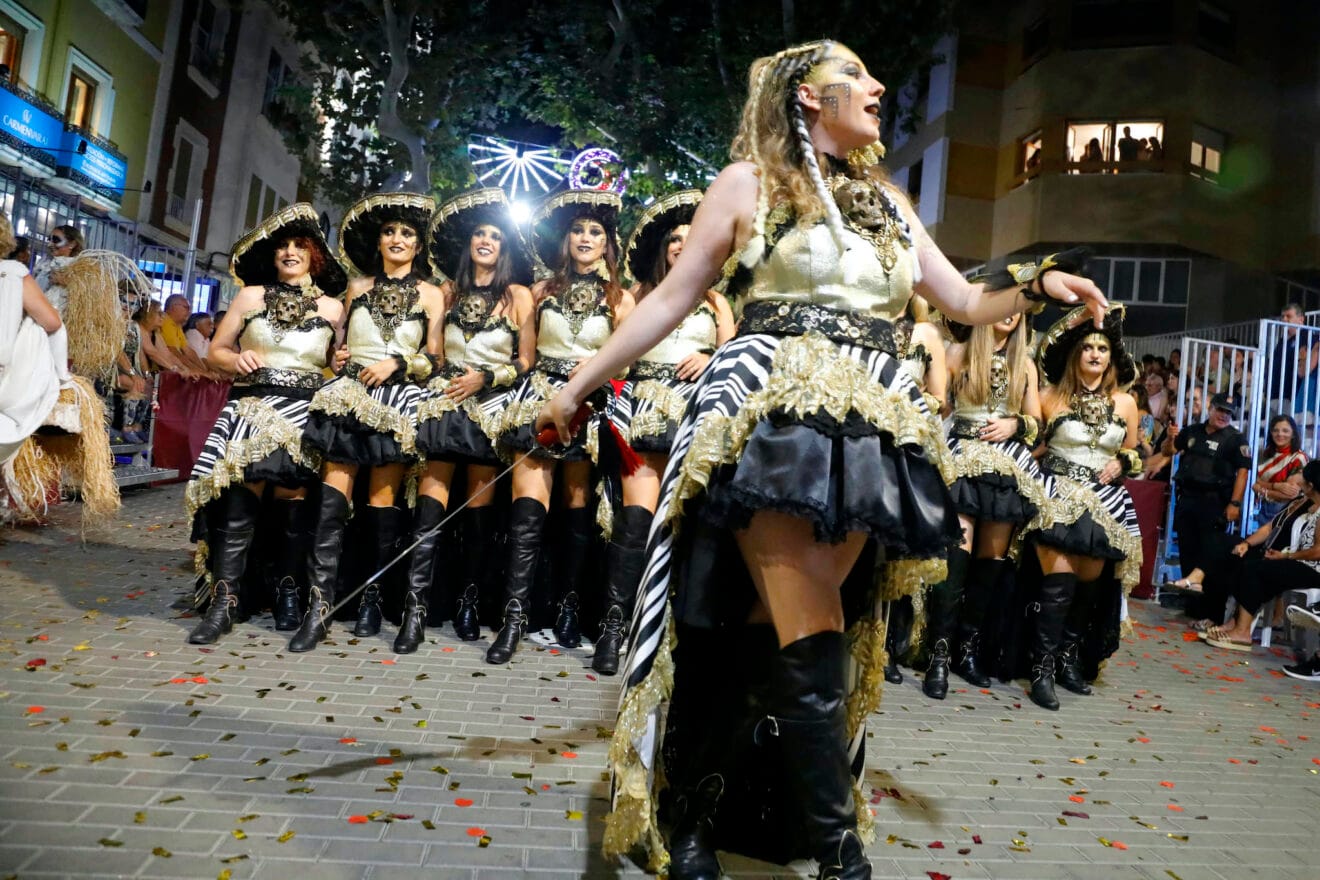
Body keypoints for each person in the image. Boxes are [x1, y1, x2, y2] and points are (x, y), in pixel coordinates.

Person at [537, 40, 1107, 879]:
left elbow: (961, 297)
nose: (877, 87)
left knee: (764, 633)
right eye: (856, 77)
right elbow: (671, 298)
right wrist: (575, 386)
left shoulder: (887, 200)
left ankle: (695, 819)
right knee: (810, 633)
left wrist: (1037, 282)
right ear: (808, 96)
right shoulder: (748, 184)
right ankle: (843, 860)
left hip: (869, 430)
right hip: (776, 417)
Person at [183, 204, 346, 645]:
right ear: (273, 256)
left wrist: (341, 361)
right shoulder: (250, 296)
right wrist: (235, 359)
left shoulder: (334, 308)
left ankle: (288, 595)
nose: (290, 252)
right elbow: (215, 351)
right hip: (251, 409)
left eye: (300, 246)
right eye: (283, 247)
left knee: (294, 508)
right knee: (239, 504)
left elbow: (336, 362)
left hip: (304, 415)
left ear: (314, 255)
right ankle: (225, 603)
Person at [485, 189, 635, 665]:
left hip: (592, 404)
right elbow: (525, 355)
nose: (585, 238)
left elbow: (628, 362)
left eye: (595, 232)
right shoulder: (540, 291)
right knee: (527, 512)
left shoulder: (622, 298)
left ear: (607, 243)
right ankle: (514, 619)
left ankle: (569, 612)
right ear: (566, 240)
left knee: (577, 513)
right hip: (538, 399)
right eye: (577, 231)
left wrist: (598, 367)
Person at [290, 193, 443, 654]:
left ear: (418, 246)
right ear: (378, 242)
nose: (397, 239)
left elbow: (436, 358)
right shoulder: (356, 288)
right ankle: (318, 608)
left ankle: (372, 601)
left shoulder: (432, 293)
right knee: (331, 505)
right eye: (389, 232)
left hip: (396, 403)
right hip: (347, 398)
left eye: (406, 233)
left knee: (382, 506)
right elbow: (337, 346)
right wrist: (337, 358)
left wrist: (399, 362)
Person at [599, 190, 735, 675]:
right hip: (643, 413)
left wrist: (710, 356)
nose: (681, 245)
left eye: (690, 238)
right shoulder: (638, 296)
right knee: (636, 521)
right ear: (664, 247)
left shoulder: (717, 302)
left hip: (696, 416)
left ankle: (667, 630)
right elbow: (617, 356)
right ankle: (614, 627)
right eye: (675, 239)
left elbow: (734, 358)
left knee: (686, 524)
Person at [406, 189, 536, 653]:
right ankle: (416, 610)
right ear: (469, 244)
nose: (486, 241)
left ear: (504, 248)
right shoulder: (447, 292)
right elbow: (434, 352)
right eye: (480, 234)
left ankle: (469, 604)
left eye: (495, 236)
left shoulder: (518, 295)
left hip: (491, 407)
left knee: (478, 517)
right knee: (430, 510)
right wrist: (419, 368)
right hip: (443, 403)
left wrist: (486, 378)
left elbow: (527, 360)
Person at [927, 312, 1047, 700]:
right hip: (962, 461)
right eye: (1004, 304)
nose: (1010, 313)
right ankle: (938, 655)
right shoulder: (957, 352)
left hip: (1005, 470)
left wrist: (1015, 425)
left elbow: (1037, 422)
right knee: (955, 559)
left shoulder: (1025, 364)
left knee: (990, 564)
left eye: (1018, 308)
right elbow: (937, 404)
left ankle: (966, 650)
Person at [1027, 306, 1142, 710]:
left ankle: (1067, 661)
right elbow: (1033, 445)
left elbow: (1135, 453)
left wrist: (1124, 462)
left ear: (1112, 359)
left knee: (1087, 589)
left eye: (1103, 349)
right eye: (1088, 347)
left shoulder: (1126, 403)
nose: (1095, 354)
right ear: (1076, 354)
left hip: (1105, 505)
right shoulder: (1049, 397)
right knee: (1057, 586)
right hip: (1057, 497)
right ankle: (1041, 671)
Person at [1201, 460, 1320, 651]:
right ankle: (1236, 623)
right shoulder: (1308, 505)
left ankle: (1242, 631)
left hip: (1313, 569)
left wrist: (1286, 556)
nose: (1299, 484)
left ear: (1311, 485)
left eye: (1302, 481)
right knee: (1246, 563)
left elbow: (1317, 552)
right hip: (1299, 561)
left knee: (1255, 569)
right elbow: (1271, 527)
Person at [1168, 392, 1250, 595]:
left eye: (1228, 413)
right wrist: (1170, 438)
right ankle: (1189, 597)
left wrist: (1235, 503)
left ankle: (1207, 601)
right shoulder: (1192, 431)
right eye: (1220, 410)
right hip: (1187, 498)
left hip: (1215, 502)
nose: (1224, 415)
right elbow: (1168, 451)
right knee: (1187, 548)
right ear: (1210, 408)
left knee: (1209, 550)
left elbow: (1243, 473)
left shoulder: (1236, 438)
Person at [1253, 414, 1307, 524]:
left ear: (1293, 434)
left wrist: (1262, 490)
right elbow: (1253, 481)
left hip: (1284, 512)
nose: (1280, 434)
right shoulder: (1264, 454)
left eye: (1285, 431)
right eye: (1275, 430)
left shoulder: (1298, 457)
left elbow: (1289, 495)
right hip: (1262, 509)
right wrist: (1276, 486)